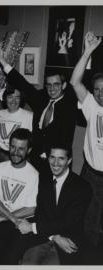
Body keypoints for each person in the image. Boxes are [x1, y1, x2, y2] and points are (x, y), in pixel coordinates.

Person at [0, 46, 78, 170]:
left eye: (56, 85)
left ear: (64, 85)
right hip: (35, 160)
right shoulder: (41, 99)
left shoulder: (69, 104)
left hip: (57, 162)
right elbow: (22, 83)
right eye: (49, 85)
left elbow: (76, 82)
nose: (52, 89)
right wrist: (2, 61)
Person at [16, 143, 92, 265]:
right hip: (44, 237)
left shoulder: (82, 187)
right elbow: (40, 212)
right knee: (27, 263)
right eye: (52, 157)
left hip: (67, 241)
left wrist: (32, 227)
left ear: (69, 160)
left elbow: (69, 221)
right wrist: (54, 236)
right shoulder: (44, 178)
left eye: (61, 158)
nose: (55, 163)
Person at [70, 31, 103, 246]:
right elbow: (74, 81)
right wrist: (88, 51)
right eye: (98, 89)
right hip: (92, 175)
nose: (100, 94)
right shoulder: (92, 106)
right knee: (88, 222)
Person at [0, 128, 39, 264]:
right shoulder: (0, 167)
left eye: (21, 149)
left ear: (29, 150)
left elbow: (31, 209)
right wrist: (7, 217)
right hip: (5, 219)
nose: (15, 152)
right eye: (13, 147)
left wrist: (3, 217)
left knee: (9, 260)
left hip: (21, 223)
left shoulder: (34, 175)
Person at [0, 85, 33, 166]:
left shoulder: (30, 116)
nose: (13, 101)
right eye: (10, 97)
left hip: (18, 156)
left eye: (17, 97)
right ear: (5, 98)